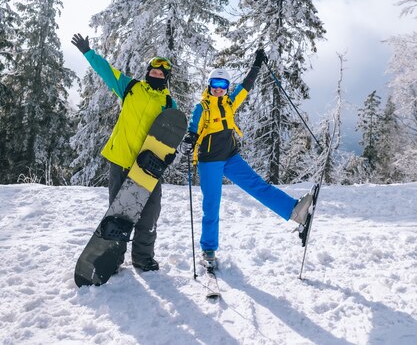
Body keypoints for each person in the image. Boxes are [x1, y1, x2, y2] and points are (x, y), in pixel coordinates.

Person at [180, 48, 313, 264]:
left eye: (223, 85)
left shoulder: (231, 103)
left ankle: (295, 211)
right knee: (212, 205)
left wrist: (257, 64)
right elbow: (193, 130)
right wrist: (188, 141)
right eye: (215, 84)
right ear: (209, 86)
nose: (219, 89)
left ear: (227, 88)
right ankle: (208, 251)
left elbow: (246, 86)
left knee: (258, 186)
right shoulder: (202, 107)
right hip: (210, 162)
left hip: (230, 157)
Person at [71, 33, 176, 272]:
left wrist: (170, 155)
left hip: (148, 168)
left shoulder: (169, 104)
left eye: (161, 74)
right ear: (148, 72)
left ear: (166, 78)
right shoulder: (130, 87)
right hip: (121, 160)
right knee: (119, 215)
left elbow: (171, 137)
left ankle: (142, 258)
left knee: (149, 215)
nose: (156, 75)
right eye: (153, 71)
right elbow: (106, 71)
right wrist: (89, 52)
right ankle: (114, 257)